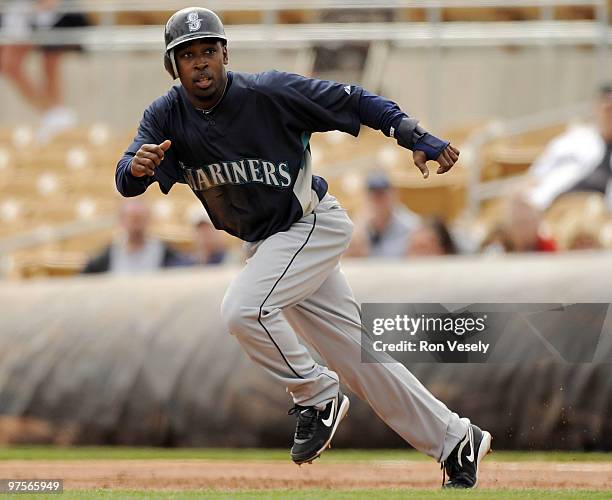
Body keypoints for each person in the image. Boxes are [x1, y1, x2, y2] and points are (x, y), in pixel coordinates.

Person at [115, 8, 490, 488]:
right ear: (173, 67)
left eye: (209, 50)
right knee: (360, 356)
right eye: (187, 55)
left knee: (241, 310)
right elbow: (127, 179)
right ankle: (455, 439)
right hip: (269, 244)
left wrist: (413, 135)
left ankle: (316, 394)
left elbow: (352, 99)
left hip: (310, 224)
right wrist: (136, 169)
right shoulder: (166, 115)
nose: (201, 62)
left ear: (225, 53)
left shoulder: (268, 93)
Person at [0, 0, 87, 142]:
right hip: (23, 12)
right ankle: (53, 113)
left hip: (49, 13)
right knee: (10, 64)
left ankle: (55, 113)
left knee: (50, 62)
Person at [527, 84, 612, 210]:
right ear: (596, 108)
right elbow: (535, 176)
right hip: (558, 206)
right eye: (607, 109)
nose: (609, 116)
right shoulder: (573, 140)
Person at [82, 200, 188, 274]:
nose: (136, 225)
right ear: (122, 221)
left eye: (140, 219)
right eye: (132, 219)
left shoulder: (164, 252)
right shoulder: (109, 254)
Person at [347, 171, 420, 257]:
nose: (378, 200)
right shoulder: (357, 224)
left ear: (393, 194)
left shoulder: (411, 224)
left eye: (382, 194)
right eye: (374, 195)